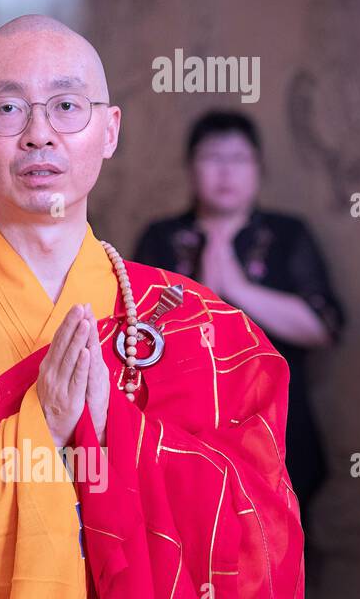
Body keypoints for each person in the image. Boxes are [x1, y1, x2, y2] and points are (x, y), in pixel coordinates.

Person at [0, 15, 304, 599]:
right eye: (6, 108)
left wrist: (119, 431)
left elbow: (260, 520)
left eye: (66, 106)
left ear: (110, 130)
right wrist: (44, 427)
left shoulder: (198, 321)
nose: (38, 136)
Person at [134, 112, 344, 527]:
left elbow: (324, 324)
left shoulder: (288, 234)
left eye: (239, 159)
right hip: (181, 424)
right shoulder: (159, 236)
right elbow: (135, 332)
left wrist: (239, 290)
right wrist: (204, 294)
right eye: (212, 157)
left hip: (277, 423)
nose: (225, 171)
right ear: (190, 168)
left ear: (259, 169)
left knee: (274, 557)